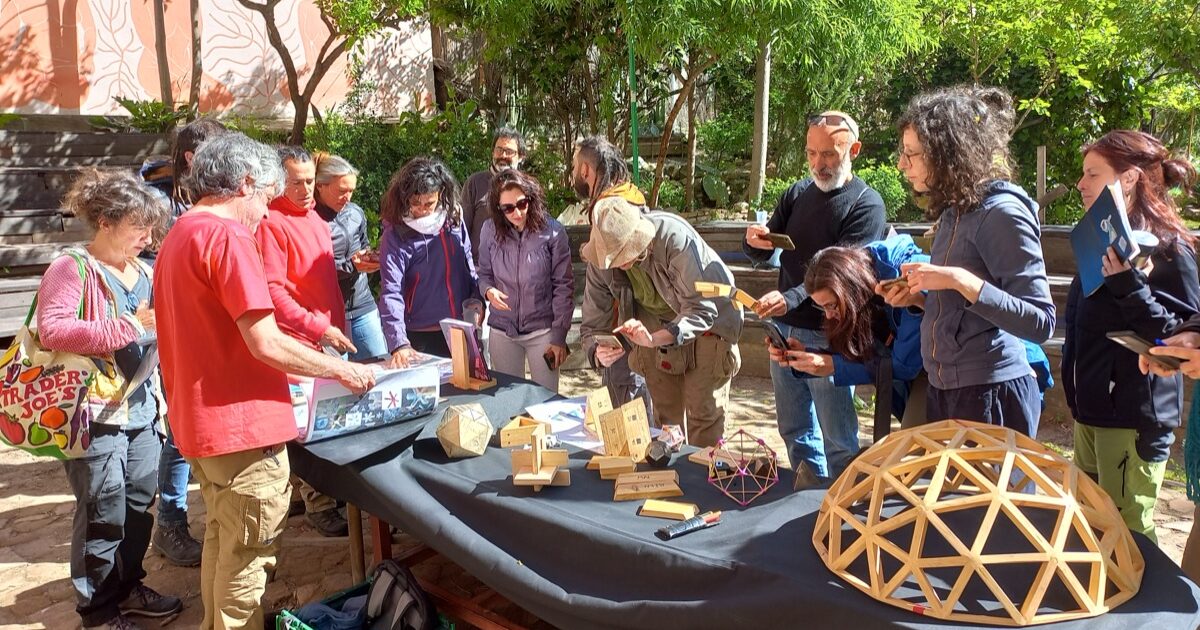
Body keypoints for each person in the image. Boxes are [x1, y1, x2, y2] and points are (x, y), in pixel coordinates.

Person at [154, 133, 375, 630]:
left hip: (202, 424)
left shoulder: (182, 231)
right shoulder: (228, 236)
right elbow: (266, 341)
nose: (266, 212)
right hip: (240, 430)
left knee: (223, 543)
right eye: (267, 197)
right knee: (246, 564)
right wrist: (341, 369)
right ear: (246, 184)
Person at [38, 170, 182, 629]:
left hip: (143, 410)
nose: (147, 238)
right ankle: (98, 611)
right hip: (93, 416)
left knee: (138, 505)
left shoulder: (145, 271)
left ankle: (126, 587)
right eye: (138, 227)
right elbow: (52, 329)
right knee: (102, 512)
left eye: (151, 228)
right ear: (105, 221)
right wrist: (129, 326)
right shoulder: (72, 268)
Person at [885, 85, 1055, 436]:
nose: (902, 164)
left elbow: (1041, 322)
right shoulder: (955, 209)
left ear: (948, 152)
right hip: (945, 389)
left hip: (992, 396)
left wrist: (959, 279)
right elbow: (965, 309)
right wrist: (920, 297)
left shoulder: (1003, 213)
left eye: (911, 154)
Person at [1065, 130, 1199, 542]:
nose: (1080, 184)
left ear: (1129, 178)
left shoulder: (1170, 249)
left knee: (1128, 538)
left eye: (1093, 174)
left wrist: (1129, 286)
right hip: (1090, 413)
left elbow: (1179, 338)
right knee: (1087, 530)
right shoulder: (1098, 240)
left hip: (1132, 419)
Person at [743, 111, 888, 480]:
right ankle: (806, 496)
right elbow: (766, 249)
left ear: (854, 150)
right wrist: (754, 242)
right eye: (811, 153)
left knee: (838, 438)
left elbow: (841, 278)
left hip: (829, 334)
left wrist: (791, 298)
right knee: (794, 430)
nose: (818, 164)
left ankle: (843, 502)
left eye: (828, 154)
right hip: (784, 329)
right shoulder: (797, 193)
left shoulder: (866, 204)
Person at [581, 196, 743, 447]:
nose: (620, 262)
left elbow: (701, 310)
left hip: (709, 323)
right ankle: (669, 469)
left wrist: (654, 339)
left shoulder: (674, 239)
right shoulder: (601, 258)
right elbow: (592, 324)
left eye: (624, 253)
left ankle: (704, 472)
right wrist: (597, 350)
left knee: (703, 415)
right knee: (666, 420)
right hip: (653, 323)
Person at [255, 145, 355, 537]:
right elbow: (274, 292)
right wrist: (317, 327)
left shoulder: (314, 217)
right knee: (311, 424)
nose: (304, 189)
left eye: (309, 181)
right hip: (299, 339)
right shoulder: (271, 222)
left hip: (327, 334)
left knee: (326, 418)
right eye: (295, 182)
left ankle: (311, 493)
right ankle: (318, 502)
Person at [147, 117, 228, 567]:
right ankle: (170, 524)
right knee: (181, 428)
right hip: (176, 328)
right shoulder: (162, 204)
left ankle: (213, 511)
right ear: (194, 158)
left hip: (209, 326)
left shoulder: (203, 197)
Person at [768, 236, 925, 429]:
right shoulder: (861, 276)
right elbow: (863, 353)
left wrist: (833, 366)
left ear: (851, 289)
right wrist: (811, 355)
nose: (829, 315)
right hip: (911, 371)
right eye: (822, 307)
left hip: (941, 370)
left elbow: (904, 365)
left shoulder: (902, 279)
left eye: (831, 305)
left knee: (917, 439)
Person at [567, 135, 653, 414]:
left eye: (574, 167)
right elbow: (594, 319)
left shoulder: (620, 219)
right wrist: (595, 349)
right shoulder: (630, 206)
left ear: (585, 170)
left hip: (646, 366)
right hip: (622, 363)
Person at [477, 169, 574, 391]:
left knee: (547, 400)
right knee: (508, 402)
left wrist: (559, 337)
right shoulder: (489, 230)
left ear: (531, 199)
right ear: (498, 208)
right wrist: (488, 290)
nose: (517, 212)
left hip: (543, 332)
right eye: (508, 208)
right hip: (503, 330)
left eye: (522, 204)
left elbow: (563, 286)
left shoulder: (553, 232)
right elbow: (483, 274)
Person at [378, 157, 480, 366]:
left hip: (459, 326)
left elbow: (468, 263)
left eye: (429, 203)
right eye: (415, 203)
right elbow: (391, 291)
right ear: (404, 197)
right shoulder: (395, 234)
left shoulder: (453, 219)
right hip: (419, 334)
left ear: (441, 194)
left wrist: (476, 299)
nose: (422, 210)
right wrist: (399, 343)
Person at [314, 152, 387, 361]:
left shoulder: (355, 212)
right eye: (341, 191)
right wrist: (352, 266)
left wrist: (370, 258)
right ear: (320, 186)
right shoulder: (310, 220)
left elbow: (363, 245)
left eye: (351, 191)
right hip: (327, 314)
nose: (347, 197)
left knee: (380, 367)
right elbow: (313, 269)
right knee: (337, 379)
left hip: (363, 305)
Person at [461, 127, 527, 259]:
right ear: (492, 152)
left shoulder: (527, 187)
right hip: (479, 266)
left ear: (521, 157)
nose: (503, 155)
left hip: (516, 266)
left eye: (509, 152)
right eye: (499, 150)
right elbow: (462, 230)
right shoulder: (475, 183)